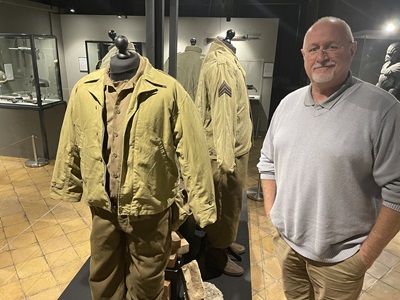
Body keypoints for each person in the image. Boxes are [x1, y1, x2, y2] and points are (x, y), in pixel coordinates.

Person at [50, 35, 216, 300]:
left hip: (149, 208)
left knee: (147, 281)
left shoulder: (167, 90)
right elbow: (71, 139)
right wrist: (68, 183)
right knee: (103, 277)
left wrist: (202, 204)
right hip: (103, 208)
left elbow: (194, 153)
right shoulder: (85, 89)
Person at [258, 16, 400, 300]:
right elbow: (267, 163)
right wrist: (273, 217)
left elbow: (397, 190)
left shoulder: (384, 110)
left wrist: (364, 257)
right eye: (313, 49)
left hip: (342, 260)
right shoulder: (287, 104)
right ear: (303, 55)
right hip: (287, 247)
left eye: (331, 47)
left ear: (352, 49)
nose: (321, 56)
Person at [195, 29, 253, 277]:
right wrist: (225, 162)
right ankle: (215, 253)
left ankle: (224, 240)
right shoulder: (222, 66)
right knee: (221, 203)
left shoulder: (228, 61)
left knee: (230, 206)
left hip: (234, 149)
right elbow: (222, 114)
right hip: (224, 153)